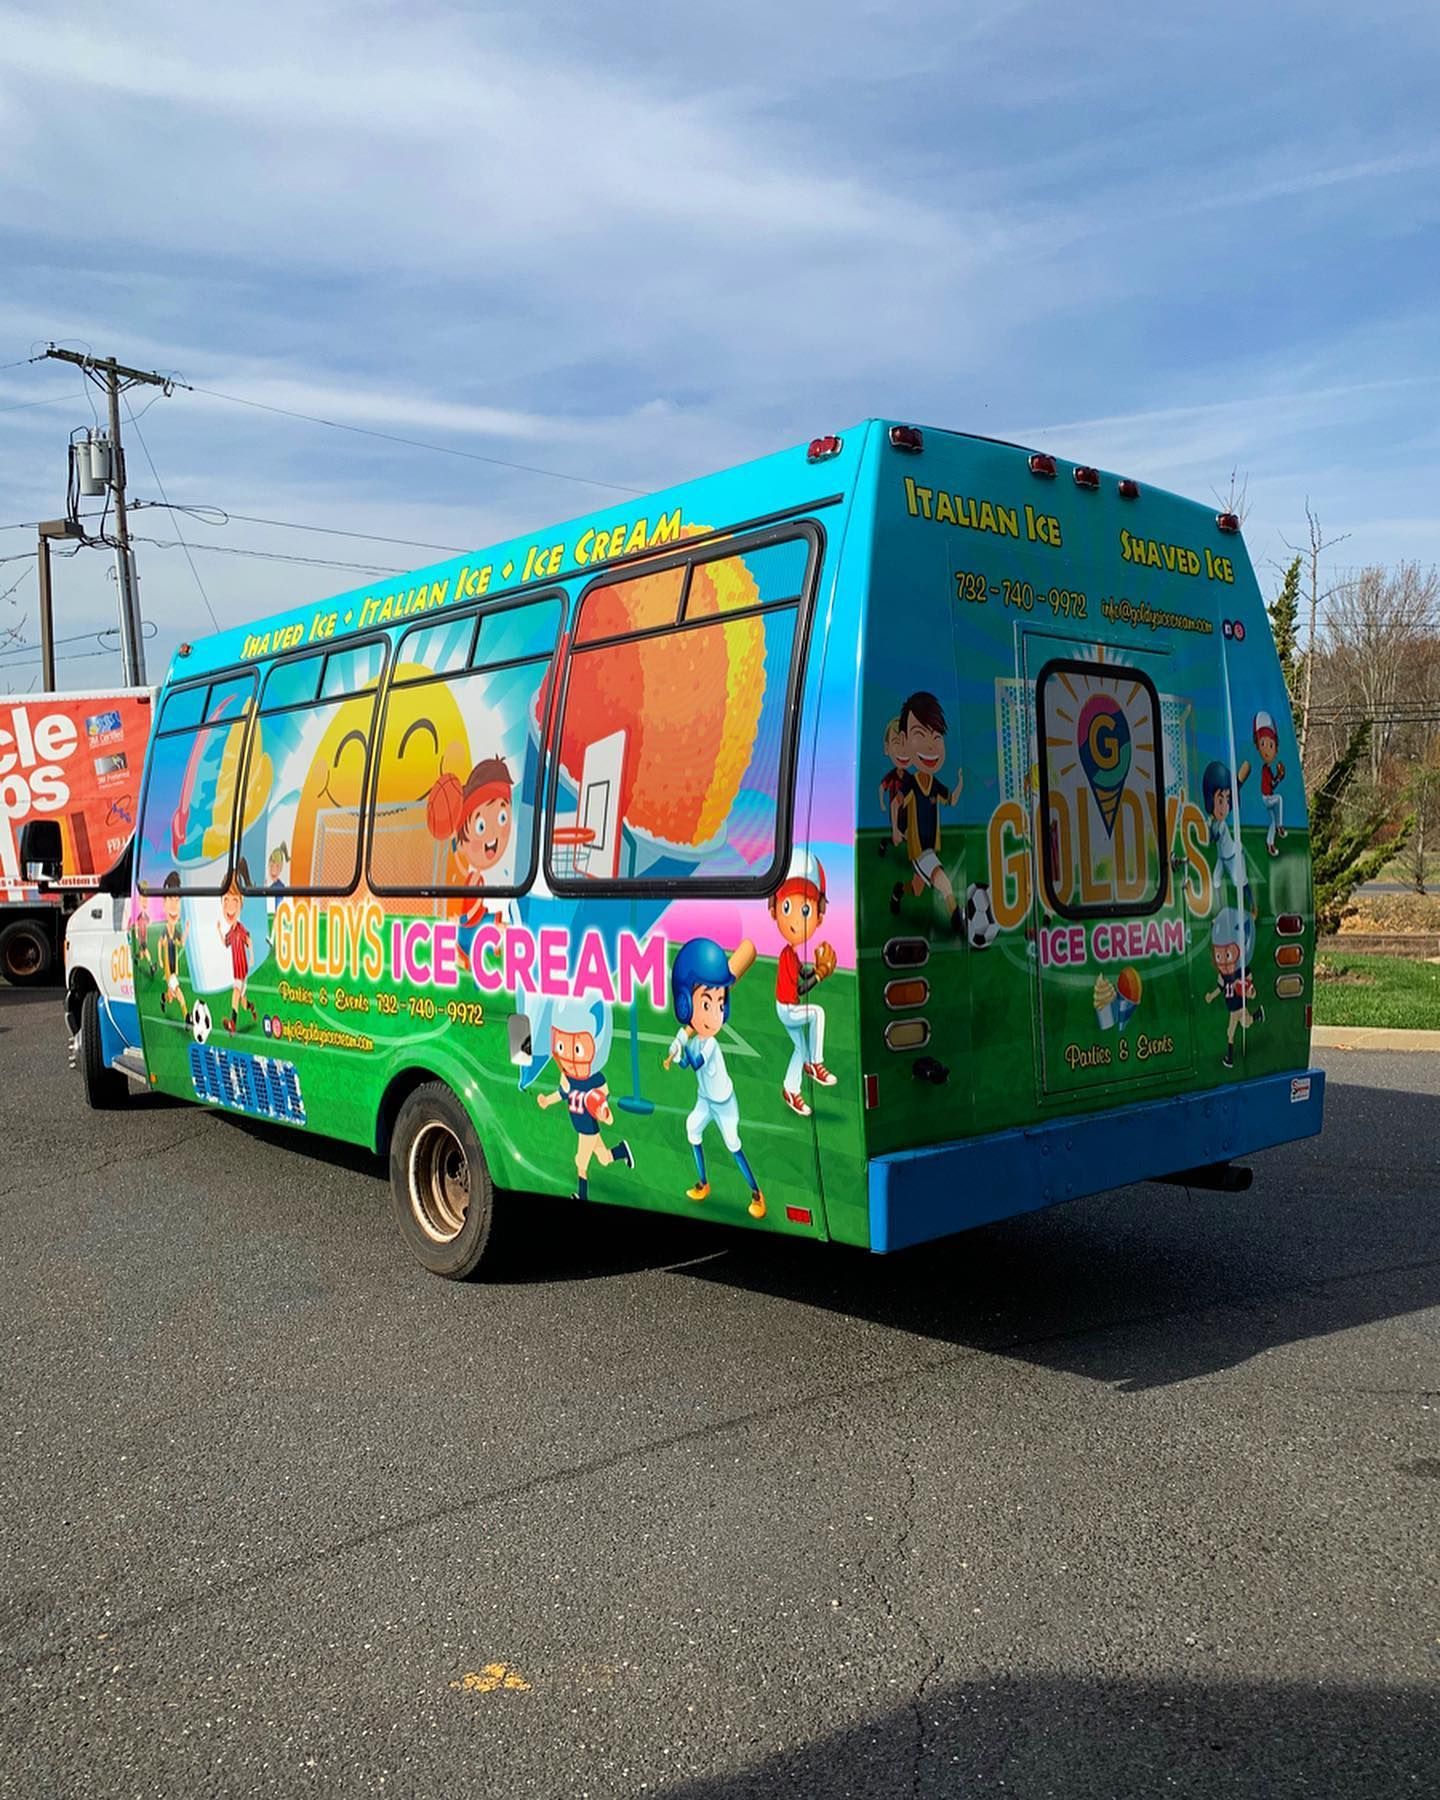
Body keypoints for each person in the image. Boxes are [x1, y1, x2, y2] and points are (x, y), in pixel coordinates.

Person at [664, 937, 765, 1218]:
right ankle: (703, 1183)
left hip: (723, 1102)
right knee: (692, 1128)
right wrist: (675, 1048)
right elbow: (684, 1048)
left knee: (733, 1143)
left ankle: (757, 1193)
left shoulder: (708, 1043)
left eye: (719, 1003)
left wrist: (680, 1052)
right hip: (705, 1099)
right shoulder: (696, 1034)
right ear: (686, 1005)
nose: (716, 1014)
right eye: (706, 1004)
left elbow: (693, 1062)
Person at [533, 995, 634, 1201]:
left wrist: (603, 1110)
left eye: (577, 1049)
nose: (569, 1056)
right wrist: (546, 1100)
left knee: (581, 1162)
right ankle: (622, 1151)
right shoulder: (568, 1078)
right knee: (604, 1158)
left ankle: (582, 1195)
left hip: (587, 1129)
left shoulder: (593, 1078)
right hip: (582, 1127)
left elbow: (602, 1096)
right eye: (562, 1047)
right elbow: (562, 1094)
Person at [889, 691, 964, 933]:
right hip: (920, 850)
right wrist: (896, 831)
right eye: (920, 734)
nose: (931, 745)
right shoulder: (910, 784)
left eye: (937, 736)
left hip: (930, 847)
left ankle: (899, 891)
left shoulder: (936, 783)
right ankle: (958, 920)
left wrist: (961, 783)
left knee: (917, 888)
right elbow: (895, 803)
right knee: (944, 883)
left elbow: (951, 800)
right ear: (905, 739)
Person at [768, 849, 836, 1115]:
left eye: (805, 909)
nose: (797, 919)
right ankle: (815, 1064)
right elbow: (799, 988)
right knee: (817, 1013)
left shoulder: (793, 955)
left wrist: (818, 970)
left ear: (818, 915)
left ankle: (791, 1089)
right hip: (786, 1008)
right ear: (774, 909)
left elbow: (803, 975)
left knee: (799, 1046)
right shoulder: (786, 954)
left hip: (788, 1007)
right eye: (788, 907)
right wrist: (819, 975)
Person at [428, 756, 515, 956]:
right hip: (470, 930)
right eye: (481, 826)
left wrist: (463, 919)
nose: (493, 834)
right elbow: (473, 907)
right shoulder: (471, 877)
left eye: (503, 817)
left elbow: (475, 907)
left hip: (473, 926)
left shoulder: (477, 879)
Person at [1205, 906, 1265, 1068]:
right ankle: (1229, 1058)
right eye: (1219, 956)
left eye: (1228, 954)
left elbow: (1250, 989)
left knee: (1243, 1025)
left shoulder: (1242, 973)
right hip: (1233, 1009)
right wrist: (1211, 995)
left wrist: (1249, 990)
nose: (1223, 960)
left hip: (1241, 1006)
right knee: (1231, 1031)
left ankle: (1257, 1015)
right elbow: (1221, 988)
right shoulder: (1223, 976)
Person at [217, 861, 257, 1034]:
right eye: (226, 900)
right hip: (237, 971)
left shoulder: (240, 928)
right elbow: (225, 943)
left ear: (241, 902)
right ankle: (251, 1006)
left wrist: (252, 956)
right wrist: (219, 930)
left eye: (235, 900)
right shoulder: (231, 932)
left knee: (236, 993)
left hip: (243, 971)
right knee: (241, 1000)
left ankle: (232, 1023)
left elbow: (249, 941)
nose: (230, 907)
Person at [155, 872, 188, 1020]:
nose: (174, 905)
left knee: (171, 995)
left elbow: (181, 942)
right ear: (164, 902)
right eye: (170, 899)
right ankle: (187, 1016)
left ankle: (164, 997)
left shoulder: (175, 931)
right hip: (170, 970)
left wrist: (186, 931)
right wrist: (161, 961)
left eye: (177, 899)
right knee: (178, 992)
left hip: (175, 968)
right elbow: (159, 943)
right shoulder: (164, 931)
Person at [1253, 711, 1287, 857]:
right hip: (1265, 798)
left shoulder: (1268, 769)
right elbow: (1268, 787)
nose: (1267, 749)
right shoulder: (1264, 769)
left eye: (1270, 745)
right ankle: (1280, 826)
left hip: (1268, 798)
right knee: (1279, 799)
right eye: (1263, 744)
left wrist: (1279, 777)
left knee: (1271, 821)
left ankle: (1270, 844)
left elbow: (1272, 785)